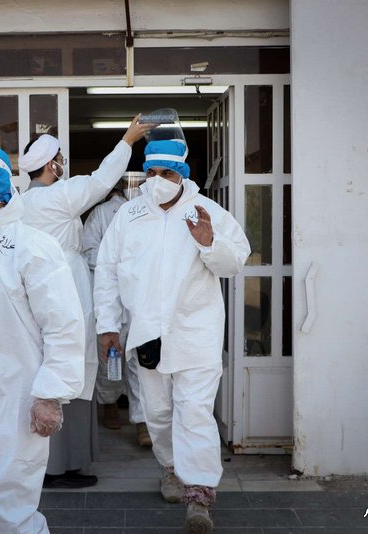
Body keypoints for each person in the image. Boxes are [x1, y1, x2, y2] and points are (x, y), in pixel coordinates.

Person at [94, 138, 251, 533]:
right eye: (151, 172)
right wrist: (108, 325)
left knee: (194, 411)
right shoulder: (129, 215)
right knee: (159, 414)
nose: (158, 180)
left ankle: (199, 495)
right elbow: (108, 271)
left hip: (195, 332)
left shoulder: (207, 212)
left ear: (182, 174)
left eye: (167, 173)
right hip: (147, 332)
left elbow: (235, 262)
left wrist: (209, 243)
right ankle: (170, 469)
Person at [0, 142, 86, 533]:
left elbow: (63, 325)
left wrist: (49, 395)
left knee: (4, 509)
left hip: (15, 400)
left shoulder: (33, 246)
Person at [18, 118, 151, 488]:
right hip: (66, 288)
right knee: (71, 368)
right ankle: (61, 467)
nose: (63, 164)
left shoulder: (22, 202)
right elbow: (101, 180)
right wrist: (127, 140)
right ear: (51, 164)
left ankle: (47, 464)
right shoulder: (58, 197)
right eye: (60, 158)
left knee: (47, 367)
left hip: (36, 290)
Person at [81, 173, 151, 447]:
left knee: (141, 363)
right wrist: (116, 264)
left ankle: (142, 421)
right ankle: (109, 403)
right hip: (110, 296)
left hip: (141, 300)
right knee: (109, 357)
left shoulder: (152, 212)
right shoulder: (102, 213)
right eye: (133, 183)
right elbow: (87, 249)